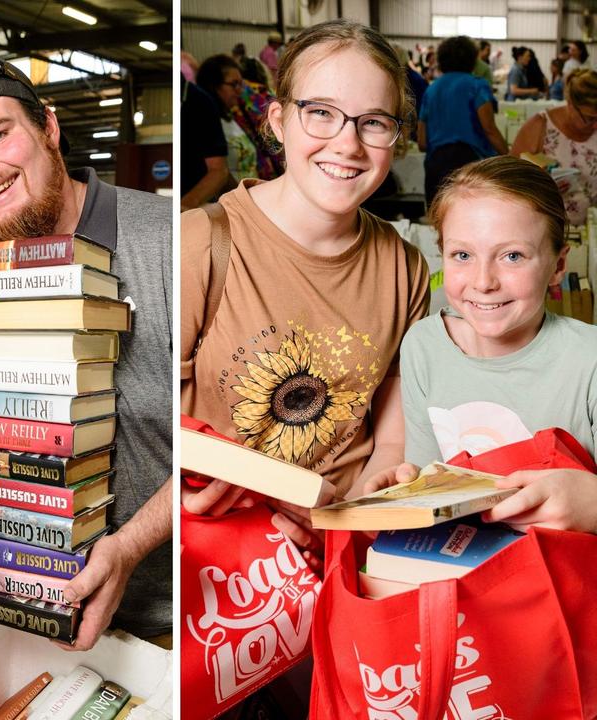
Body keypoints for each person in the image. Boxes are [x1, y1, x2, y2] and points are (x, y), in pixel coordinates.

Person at [0, 56, 173, 652]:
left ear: (49, 129)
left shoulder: (167, 243)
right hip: (17, 607)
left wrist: (129, 546)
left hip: (168, 620)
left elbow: (225, 443)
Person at [182, 17, 429, 569]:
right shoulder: (201, 244)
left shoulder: (405, 268)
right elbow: (151, 425)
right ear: (278, 121)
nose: (347, 143)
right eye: (321, 113)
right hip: (228, 559)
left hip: (343, 552)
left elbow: (390, 437)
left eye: (373, 122)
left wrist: (349, 522)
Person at [368, 156, 597, 534]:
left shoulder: (587, 359)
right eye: (463, 255)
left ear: (558, 265)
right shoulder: (424, 346)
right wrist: (403, 490)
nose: (484, 281)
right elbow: (426, 477)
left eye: (512, 256)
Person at [418, 35, 508, 204]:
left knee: (438, 222)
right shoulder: (477, 85)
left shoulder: (432, 89)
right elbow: (489, 129)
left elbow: (422, 142)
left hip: (435, 166)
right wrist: (510, 157)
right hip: (469, 165)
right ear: (472, 59)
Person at [511, 68, 597, 224]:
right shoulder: (540, 126)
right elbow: (511, 181)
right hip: (545, 229)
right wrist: (544, 188)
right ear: (571, 104)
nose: (595, 126)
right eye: (590, 118)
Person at [197, 55, 258, 181]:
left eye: (240, 84)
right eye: (234, 84)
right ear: (214, 86)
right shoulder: (205, 124)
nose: (239, 90)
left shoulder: (233, 118)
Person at [180, 73, 231, 210]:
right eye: (233, 84)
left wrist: (185, 205)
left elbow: (218, 170)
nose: (240, 90)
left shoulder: (200, 101)